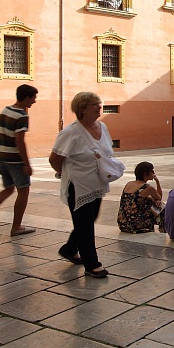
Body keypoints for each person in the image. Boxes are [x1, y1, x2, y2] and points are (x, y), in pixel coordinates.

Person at [49, 91, 115, 277]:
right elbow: (54, 159)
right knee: (85, 225)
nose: (99, 106)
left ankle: (69, 249)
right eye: (94, 103)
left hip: (97, 184)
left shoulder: (102, 126)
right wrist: (64, 174)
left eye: (99, 102)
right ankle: (92, 265)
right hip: (78, 186)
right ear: (82, 109)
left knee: (88, 219)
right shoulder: (71, 132)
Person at [0, 84, 38, 236]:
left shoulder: (6, 110)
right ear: (27, 97)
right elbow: (20, 141)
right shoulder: (22, 115)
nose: (34, 101)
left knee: (8, 189)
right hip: (15, 160)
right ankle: (16, 227)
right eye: (33, 98)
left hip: (3, 157)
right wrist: (26, 164)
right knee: (23, 191)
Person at [117, 161, 163, 234]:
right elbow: (159, 197)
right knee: (161, 206)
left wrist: (150, 198)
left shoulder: (129, 183)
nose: (153, 173)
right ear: (145, 174)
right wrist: (157, 181)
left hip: (123, 223)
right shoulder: (147, 187)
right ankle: (162, 229)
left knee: (150, 200)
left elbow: (135, 198)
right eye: (152, 171)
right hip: (137, 226)